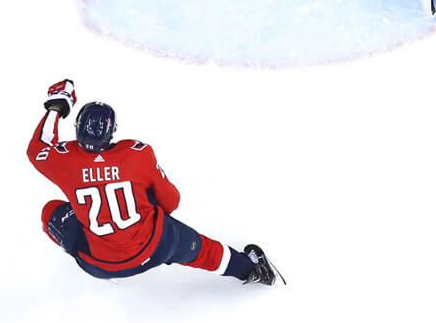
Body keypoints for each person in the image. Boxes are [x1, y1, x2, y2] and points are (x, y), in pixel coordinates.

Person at [28, 79, 280, 286]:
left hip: (99, 264)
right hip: (154, 245)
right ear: (112, 131)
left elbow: (37, 148)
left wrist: (56, 106)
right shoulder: (137, 153)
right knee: (202, 249)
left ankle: (107, 269)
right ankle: (252, 270)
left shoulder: (64, 160)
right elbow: (171, 202)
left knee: (52, 211)